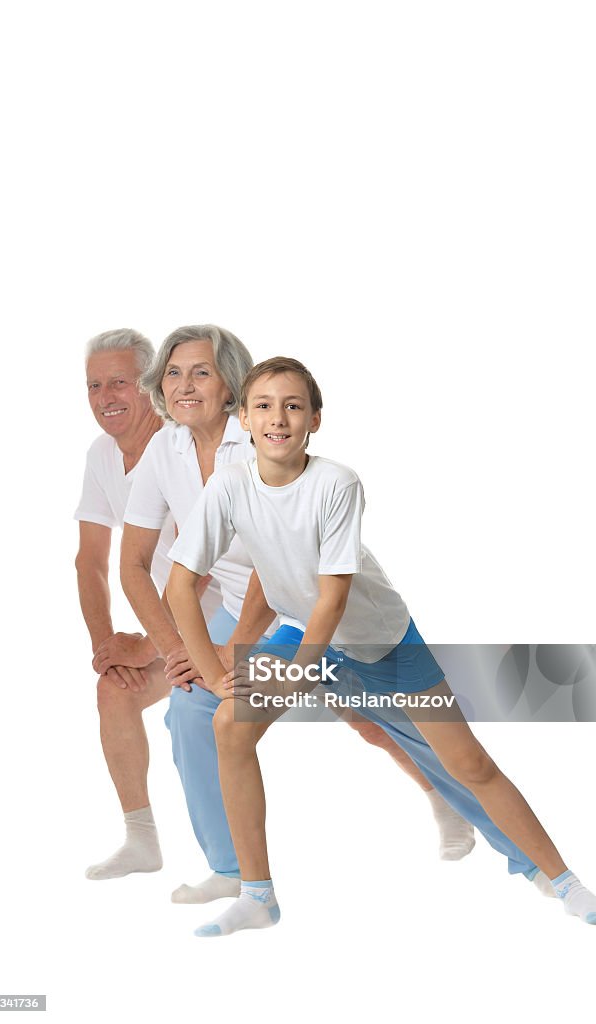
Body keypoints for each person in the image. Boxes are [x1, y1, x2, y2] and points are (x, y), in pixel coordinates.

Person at [166, 356, 596, 936]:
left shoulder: (337, 483)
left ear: (315, 420)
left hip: (380, 641)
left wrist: (298, 672)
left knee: (468, 763)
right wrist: (212, 671)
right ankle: (258, 896)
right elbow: (182, 582)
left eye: (293, 406)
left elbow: (333, 599)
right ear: (245, 421)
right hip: (299, 628)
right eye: (264, 406)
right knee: (229, 723)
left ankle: (563, 882)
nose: (278, 418)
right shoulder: (228, 485)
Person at [117, 326, 474, 903]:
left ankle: (450, 798)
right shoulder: (165, 448)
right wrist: (176, 650)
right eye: (174, 372)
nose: (184, 385)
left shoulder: (259, 433)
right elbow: (134, 562)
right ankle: (232, 869)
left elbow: (272, 565)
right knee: (192, 713)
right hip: (236, 608)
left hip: (293, 604)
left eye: (201, 371)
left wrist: (249, 651)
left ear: (231, 384)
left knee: (369, 716)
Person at [76, 328, 182, 880]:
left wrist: (147, 643)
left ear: (148, 385)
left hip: (246, 617)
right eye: (95, 384)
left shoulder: (181, 448)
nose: (106, 395)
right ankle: (141, 840)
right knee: (113, 690)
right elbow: (89, 560)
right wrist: (108, 649)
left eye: (119, 381)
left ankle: (445, 793)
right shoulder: (101, 455)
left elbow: (201, 567)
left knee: (367, 715)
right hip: (185, 631)